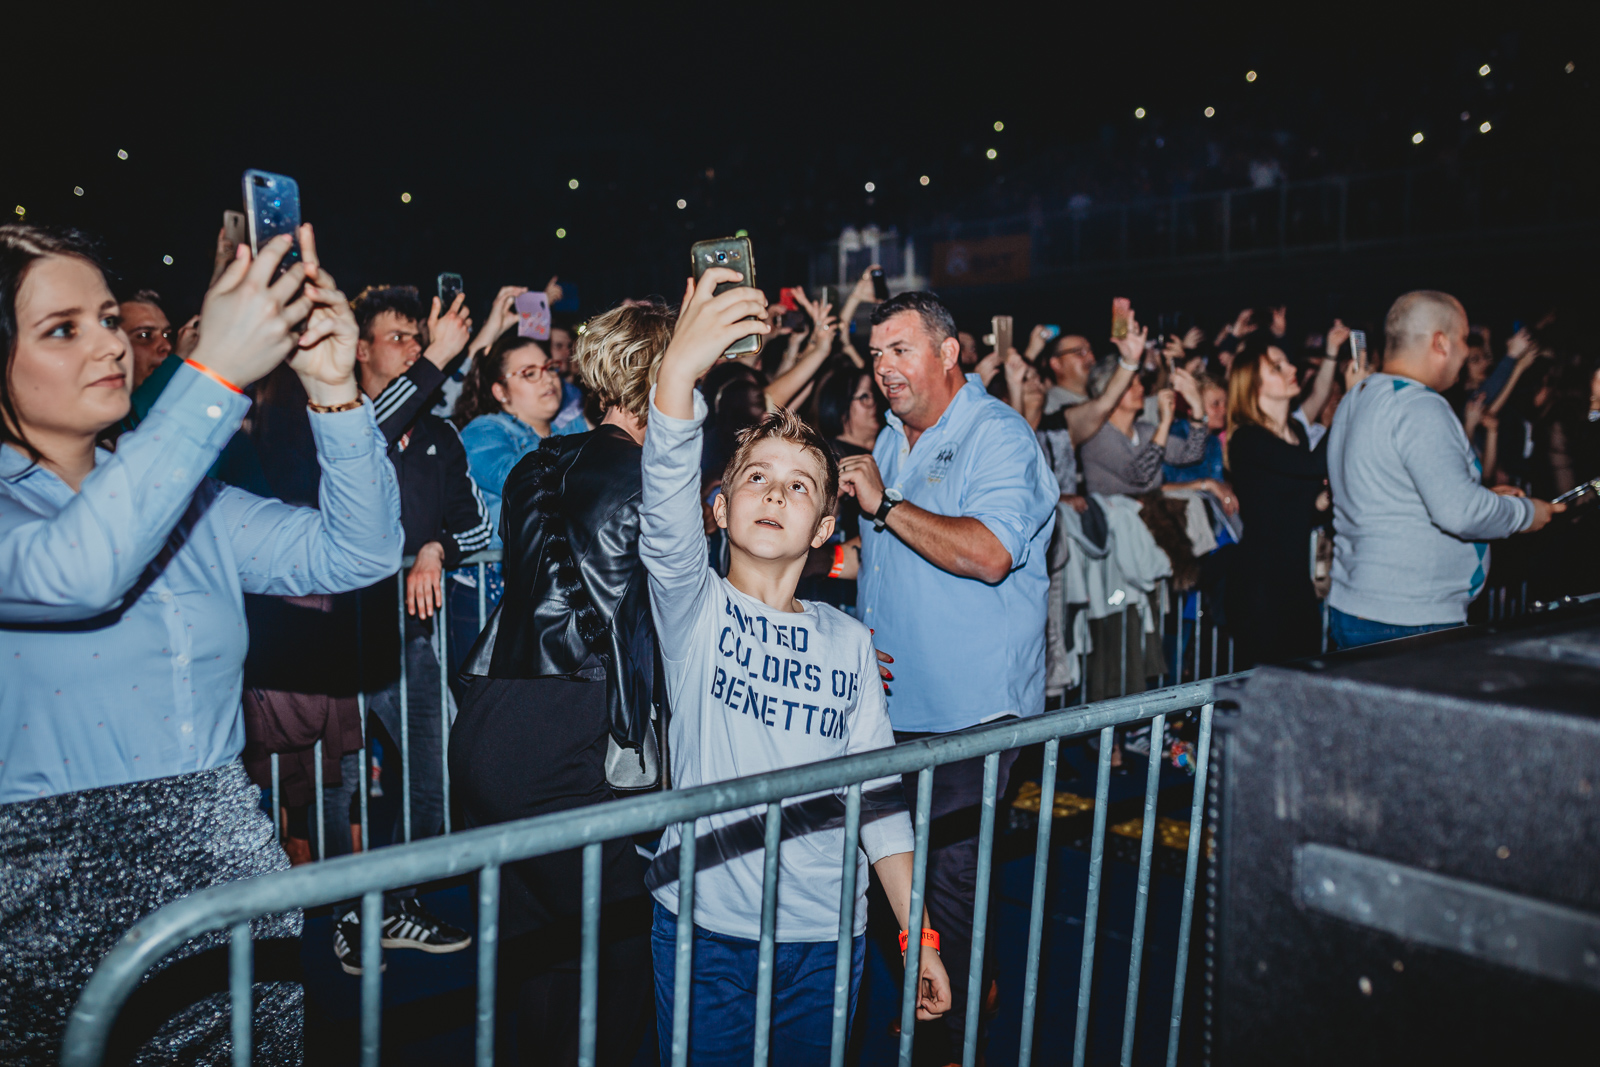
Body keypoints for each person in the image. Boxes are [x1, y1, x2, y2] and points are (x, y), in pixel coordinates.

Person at [0, 223, 401, 1063]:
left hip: (228, 875)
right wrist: (213, 374)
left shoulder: (186, 499)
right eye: (63, 328)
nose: (111, 343)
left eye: (110, 318)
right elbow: (79, 572)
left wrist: (333, 390)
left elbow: (357, 552)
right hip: (54, 904)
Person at [642, 269, 951, 1064]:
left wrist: (917, 933)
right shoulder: (694, 608)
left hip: (827, 936)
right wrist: (679, 373)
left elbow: (879, 802)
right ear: (720, 506)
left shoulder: (847, 641)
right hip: (705, 928)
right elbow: (663, 502)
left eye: (800, 486)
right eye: (757, 477)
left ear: (824, 528)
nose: (776, 495)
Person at [451, 300, 676, 1065]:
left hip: (489, 721)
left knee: (544, 950)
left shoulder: (533, 464)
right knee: (622, 955)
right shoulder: (652, 478)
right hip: (569, 733)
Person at [842, 291, 1056, 1063]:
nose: (885, 366)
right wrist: (856, 624)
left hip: (974, 713)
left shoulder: (997, 435)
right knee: (894, 874)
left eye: (900, 348)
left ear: (949, 351)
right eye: (875, 353)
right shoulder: (896, 441)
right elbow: (888, 556)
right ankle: (959, 989)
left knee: (952, 877)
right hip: (897, 708)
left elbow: (990, 552)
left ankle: (950, 1028)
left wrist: (885, 503)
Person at [324, 285, 491, 974]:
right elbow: (362, 431)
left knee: (432, 771)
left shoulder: (439, 433)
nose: (417, 349)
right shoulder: (336, 419)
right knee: (336, 779)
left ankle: (395, 899)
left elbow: (477, 528)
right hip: (332, 634)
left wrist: (435, 549)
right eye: (401, 337)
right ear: (361, 348)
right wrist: (443, 362)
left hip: (411, 633)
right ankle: (337, 913)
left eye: (420, 339)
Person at [1327, 291, 1565, 649]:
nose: (1467, 351)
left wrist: (1481, 497)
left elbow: (1394, 494)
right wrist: (1527, 512)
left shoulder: (1358, 396)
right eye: (1463, 339)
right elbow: (1460, 513)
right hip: (1409, 619)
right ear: (1440, 343)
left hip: (1359, 606)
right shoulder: (1419, 406)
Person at [448, 326, 572, 659]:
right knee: (489, 706)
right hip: (488, 596)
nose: (547, 379)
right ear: (501, 391)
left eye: (548, 368)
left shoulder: (568, 433)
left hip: (550, 594)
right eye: (529, 374)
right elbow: (518, 479)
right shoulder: (484, 430)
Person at [1223, 328, 1343, 665]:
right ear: (1254, 386)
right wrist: (1350, 403)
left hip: (1295, 580)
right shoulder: (1247, 439)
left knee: (1300, 680)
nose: (1292, 370)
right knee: (1263, 685)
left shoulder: (1297, 432)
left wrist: (1322, 502)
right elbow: (1314, 464)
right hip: (1259, 584)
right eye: (1277, 367)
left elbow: (1300, 505)